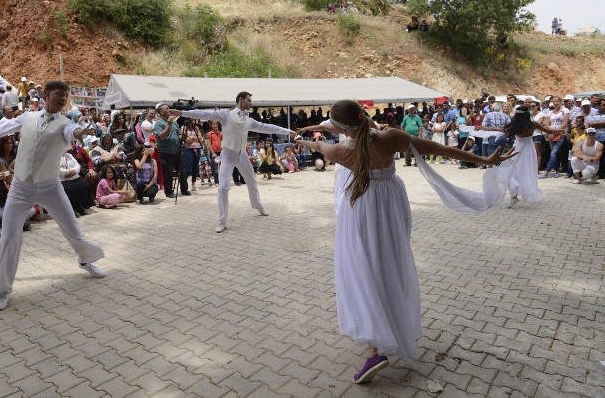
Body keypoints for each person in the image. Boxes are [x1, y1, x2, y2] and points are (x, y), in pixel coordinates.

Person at [296, 100, 514, 384]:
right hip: (391, 204)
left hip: (361, 208)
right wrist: (483, 161)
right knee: (387, 264)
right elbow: (437, 148)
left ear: (339, 128)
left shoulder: (340, 151)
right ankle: (384, 334)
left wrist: (305, 141)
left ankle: (375, 347)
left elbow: (319, 147)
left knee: (362, 269)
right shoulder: (391, 137)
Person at [0, 81, 105, 311]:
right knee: (9, 237)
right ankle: (4, 288)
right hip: (21, 187)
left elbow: (72, 132)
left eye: (66, 95)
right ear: (46, 94)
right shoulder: (27, 117)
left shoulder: (66, 123)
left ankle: (85, 260)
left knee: (72, 228)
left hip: (50, 186)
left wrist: (80, 132)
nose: (63, 98)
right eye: (59, 94)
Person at [171, 91, 296, 233]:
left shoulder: (249, 120)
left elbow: (268, 127)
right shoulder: (226, 114)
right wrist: (182, 113)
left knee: (251, 180)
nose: (251, 103)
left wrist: (288, 131)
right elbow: (205, 114)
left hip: (242, 155)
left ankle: (258, 206)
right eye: (248, 100)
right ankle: (222, 221)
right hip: (227, 155)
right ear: (241, 100)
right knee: (223, 187)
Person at [478, 105, 562, 207]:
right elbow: (549, 131)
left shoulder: (514, 125)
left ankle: (514, 196)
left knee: (512, 170)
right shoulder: (533, 124)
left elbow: (499, 130)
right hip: (529, 149)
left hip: (517, 148)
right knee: (526, 171)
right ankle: (517, 194)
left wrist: (483, 128)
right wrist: (560, 130)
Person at [153, 104, 190, 198]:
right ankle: (169, 191)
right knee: (168, 173)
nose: (169, 110)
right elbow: (161, 136)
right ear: (161, 112)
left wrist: (183, 136)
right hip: (166, 152)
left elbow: (178, 135)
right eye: (167, 108)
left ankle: (184, 189)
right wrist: (168, 125)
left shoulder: (174, 122)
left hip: (177, 150)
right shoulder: (159, 123)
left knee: (182, 171)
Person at [59, 150, 95, 217]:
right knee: (68, 189)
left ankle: (80, 207)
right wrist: (67, 172)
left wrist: (74, 171)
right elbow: (56, 169)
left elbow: (77, 165)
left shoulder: (69, 155)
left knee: (85, 185)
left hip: (74, 176)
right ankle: (72, 209)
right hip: (63, 179)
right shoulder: (53, 157)